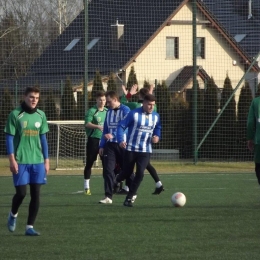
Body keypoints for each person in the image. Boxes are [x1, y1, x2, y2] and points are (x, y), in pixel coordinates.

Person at [5, 86, 49, 236]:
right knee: (22, 193)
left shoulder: (41, 115)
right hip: (21, 160)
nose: (34, 100)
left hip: (37, 160)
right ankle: (13, 214)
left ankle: (29, 227)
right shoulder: (15, 115)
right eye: (31, 97)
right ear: (24, 97)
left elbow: (43, 139)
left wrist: (47, 160)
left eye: (36, 98)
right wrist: (12, 160)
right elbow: (9, 138)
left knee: (36, 193)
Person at [116, 94, 162, 207]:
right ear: (144, 103)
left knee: (140, 173)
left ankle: (129, 198)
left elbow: (158, 127)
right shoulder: (134, 114)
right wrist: (121, 140)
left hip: (145, 150)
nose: (151, 107)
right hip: (131, 148)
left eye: (153, 105)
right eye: (149, 104)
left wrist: (157, 136)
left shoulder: (156, 116)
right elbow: (121, 126)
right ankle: (115, 182)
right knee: (127, 172)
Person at [98, 90, 133, 204]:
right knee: (108, 170)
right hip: (110, 145)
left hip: (123, 145)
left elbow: (128, 128)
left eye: (109, 102)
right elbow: (106, 130)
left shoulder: (126, 110)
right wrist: (102, 145)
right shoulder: (108, 112)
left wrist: (116, 135)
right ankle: (108, 196)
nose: (107, 104)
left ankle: (132, 193)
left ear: (115, 100)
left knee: (127, 170)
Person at [83, 91, 107, 195]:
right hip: (93, 140)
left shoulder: (107, 111)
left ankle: (108, 186)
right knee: (89, 163)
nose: (102, 102)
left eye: (104, 100)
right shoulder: (92, 111)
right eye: (100, 100)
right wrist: (97, 126)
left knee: (106, 164)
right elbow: (87, 124)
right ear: (96, 100)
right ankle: (86, 187)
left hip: (105, 141)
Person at [247, 96, 260, 185]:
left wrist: (250, 138)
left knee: (259, 167)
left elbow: (250, 122)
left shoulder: (256, 102)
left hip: (259, 141)